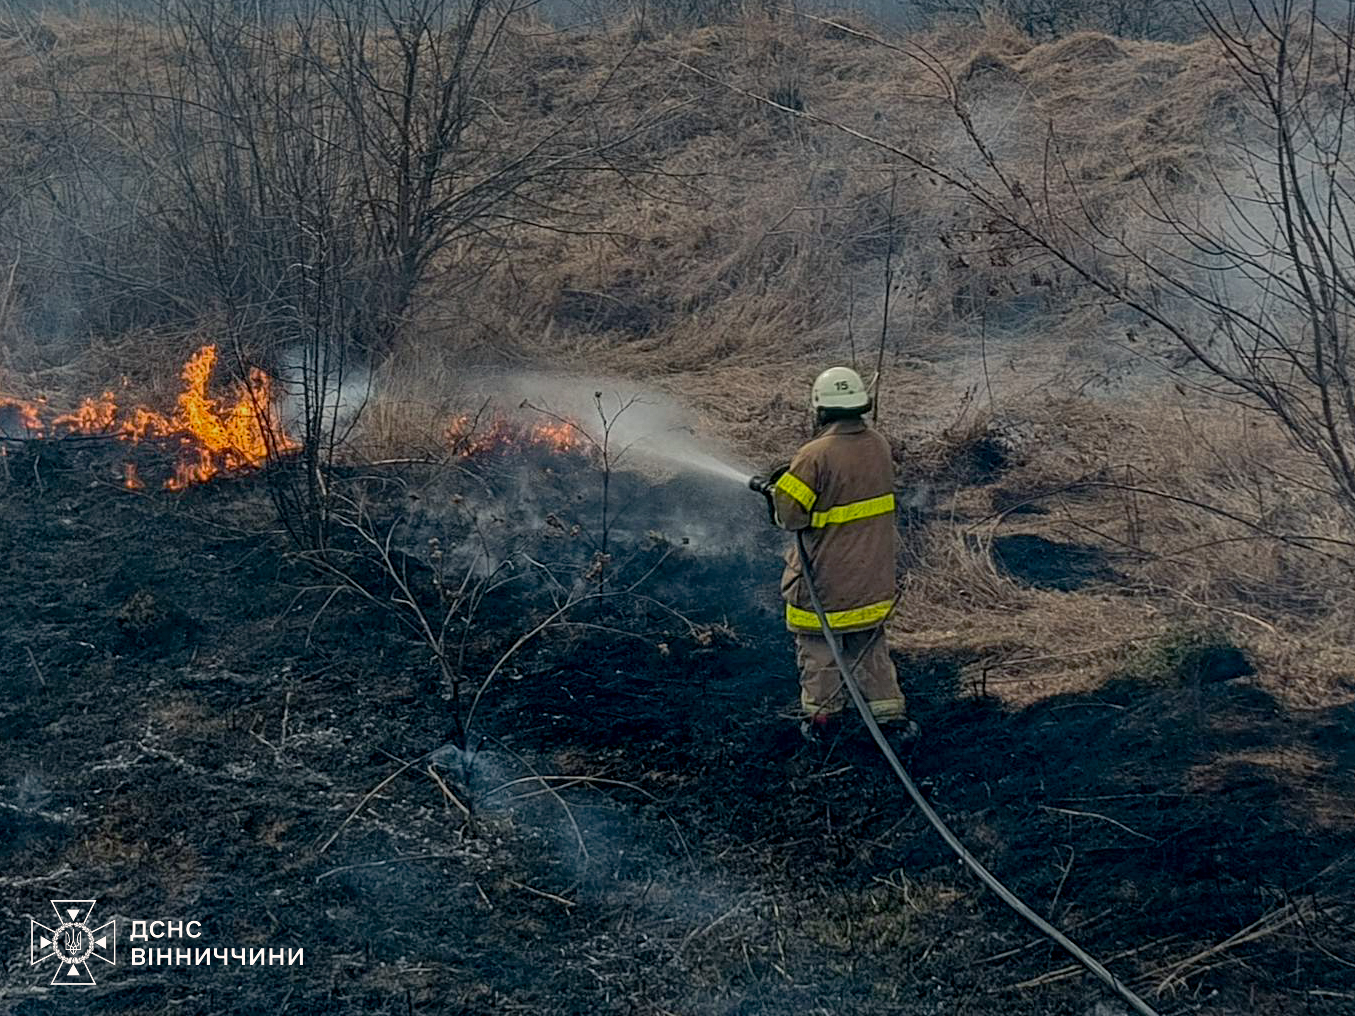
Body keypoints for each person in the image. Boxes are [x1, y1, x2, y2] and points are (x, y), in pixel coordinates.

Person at [751, 366, 918, 747]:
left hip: (825, 581)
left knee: (820, 650)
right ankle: (890, 717)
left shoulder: (813, 455)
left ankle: (824, 721)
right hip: (873, 576)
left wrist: (775, 493)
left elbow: (791, 515)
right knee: (870, 646)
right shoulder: (878, 444)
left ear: (820, 409)